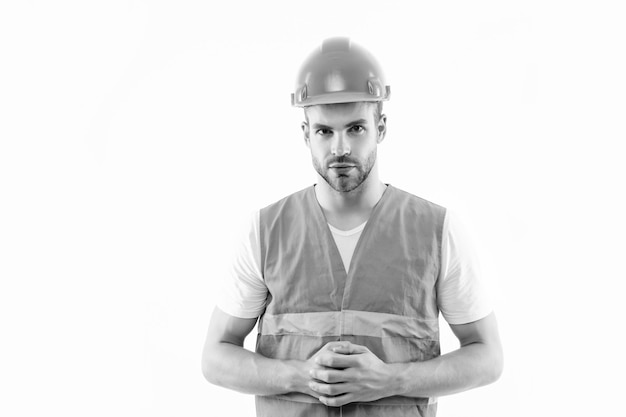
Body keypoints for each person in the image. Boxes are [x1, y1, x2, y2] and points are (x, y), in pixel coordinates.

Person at [201, 37, 503, 417]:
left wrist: (391, 381)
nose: (340, 148)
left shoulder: (438, 230)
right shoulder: (263, 231)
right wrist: (302, 376)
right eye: (325, 131)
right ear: (306, 134)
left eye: (356, 128)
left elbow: (488, 357)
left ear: (381, 127)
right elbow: (215, 357)